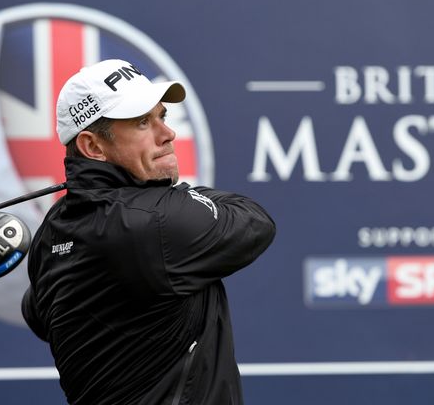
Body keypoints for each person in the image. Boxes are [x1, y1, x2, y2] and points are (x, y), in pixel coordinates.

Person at [21, 59, 276, 404]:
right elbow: (255, 221)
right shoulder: (154, 221)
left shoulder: (51, 233)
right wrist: (177, 195)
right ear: (93, 147)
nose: (167, 134)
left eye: (162, 117)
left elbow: (37, 312)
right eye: (142, 122)